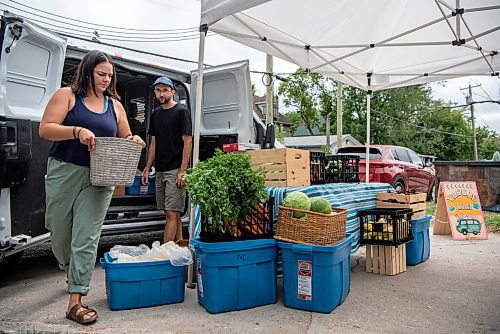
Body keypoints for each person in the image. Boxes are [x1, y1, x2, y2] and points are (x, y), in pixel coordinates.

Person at [39, 50, 145, 325]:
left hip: (101, 177)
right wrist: (76, 131)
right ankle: (67, 267)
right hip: (64, 171)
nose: (106, 80)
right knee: (60, 233)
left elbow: (125, 135)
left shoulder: (115, 105)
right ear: (87, 72)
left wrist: (134, 139)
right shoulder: (67, 96)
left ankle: (76, 300)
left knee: (86, 237)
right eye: (102, 74)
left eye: (110, 76)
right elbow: (46, 128)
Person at [142, 76, 192, 244]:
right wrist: (148, 167)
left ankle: (163, 252)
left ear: (172, 92)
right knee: (171, 211)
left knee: (171, 212)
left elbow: (188, 141)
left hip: (175, 169)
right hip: (161, 169)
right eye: (158, 90)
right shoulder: (155, 114)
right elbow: (153, 143)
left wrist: (182, 171)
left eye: (165, 90)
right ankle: (180, 242)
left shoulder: (181, 112)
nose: (161, 93)